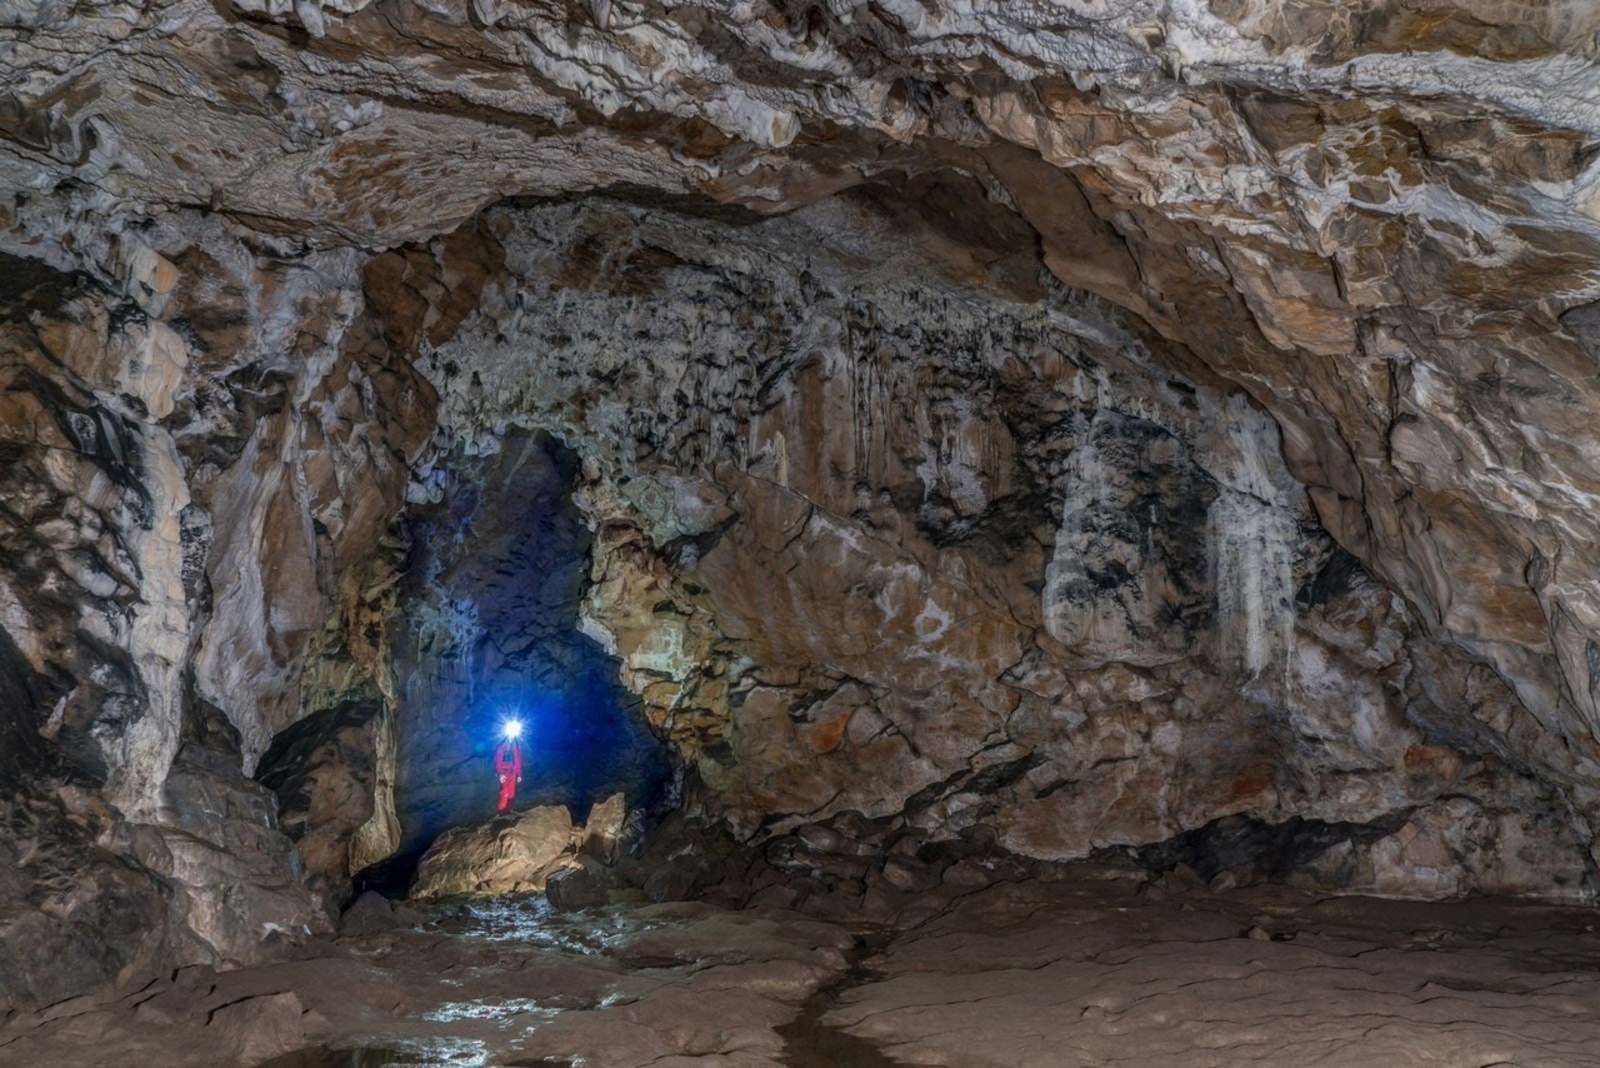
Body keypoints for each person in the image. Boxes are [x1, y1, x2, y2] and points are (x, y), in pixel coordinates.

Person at [494, 735, 523, 814]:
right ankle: (501, 811)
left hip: (513, 772)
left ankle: (507, 811)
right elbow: (498, 760)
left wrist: (519, 774)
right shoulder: (502, 746)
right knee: (505, 792)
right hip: (504, 771)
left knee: (511, 793)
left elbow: (518, 760)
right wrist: (499, 773)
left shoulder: (516, 746)